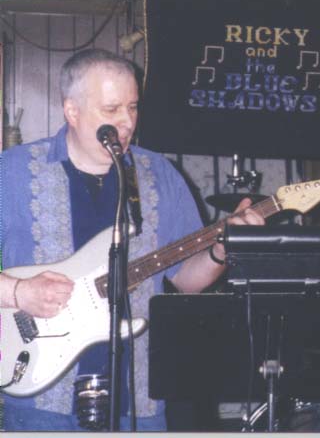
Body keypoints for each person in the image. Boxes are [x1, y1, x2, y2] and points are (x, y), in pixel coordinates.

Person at [0, 48, 264, 431]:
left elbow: (186, 281)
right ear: (72, 111)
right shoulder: (13, 172)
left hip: (138, 401)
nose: (126, 122)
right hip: (40, 399)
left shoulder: (159, 173)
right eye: (111, 110)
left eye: (133, 107)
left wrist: (222, 249)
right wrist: (18, 292)